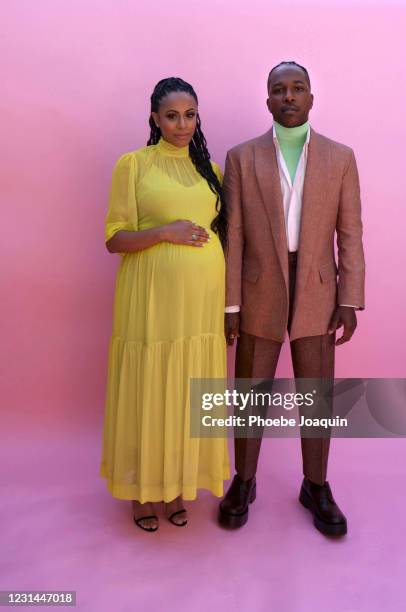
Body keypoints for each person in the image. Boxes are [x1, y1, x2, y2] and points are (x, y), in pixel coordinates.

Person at [218, 61, 365, 535]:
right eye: (279, 89)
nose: (289, 96)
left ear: (311, 98)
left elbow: (350, 233)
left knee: (317, 393)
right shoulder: (242, 157)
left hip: (319, 287)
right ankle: (244, 480)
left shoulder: (340, 157)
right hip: (261, 282)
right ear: (267, 101)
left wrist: (350, 296)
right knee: (250, 391)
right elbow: (233, 233)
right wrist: (231, 303)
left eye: (297, 88)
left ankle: (316, 485)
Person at [100, 77, 230, 532]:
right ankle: (140, 490)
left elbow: (228, 235)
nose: (182, 124)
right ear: (154, 118)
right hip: (151, 303)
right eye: (172, 115)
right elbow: (115, 239)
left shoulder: (211, 169)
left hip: (200, 308)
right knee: (149, 387)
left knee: (187, 389)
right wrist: (163, 232)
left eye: (190, 114)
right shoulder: (133, 165)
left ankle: (176, 485)